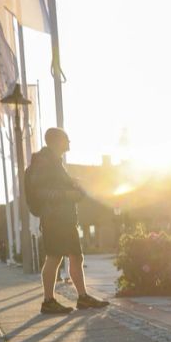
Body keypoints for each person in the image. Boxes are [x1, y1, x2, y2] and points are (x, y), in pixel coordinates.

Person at [26, 128, 109, 314]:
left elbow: (53, 185)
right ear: (56, 141)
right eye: (66, 139)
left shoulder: (54, 162)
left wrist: (72, 183)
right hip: (54, 218)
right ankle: (48, 301)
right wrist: (67, 193)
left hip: (64, 218)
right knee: (54, 258)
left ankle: (83, 297)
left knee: (76, 257)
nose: (69, 143)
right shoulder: (43, 161)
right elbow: (40, 191)